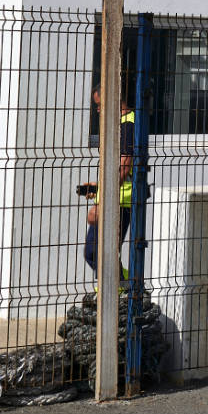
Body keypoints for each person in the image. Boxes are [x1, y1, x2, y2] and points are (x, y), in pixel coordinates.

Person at [82, 85, 135, 275]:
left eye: (100, 105)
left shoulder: (127, 125)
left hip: (120, 200)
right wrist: (98, 187)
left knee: (97, 252)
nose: (97, 110)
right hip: (115, 196)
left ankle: (121, 289)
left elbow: (123, 168)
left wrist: (104, 199)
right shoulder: (118, 126)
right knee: (97, 252)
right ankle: (121, 287)